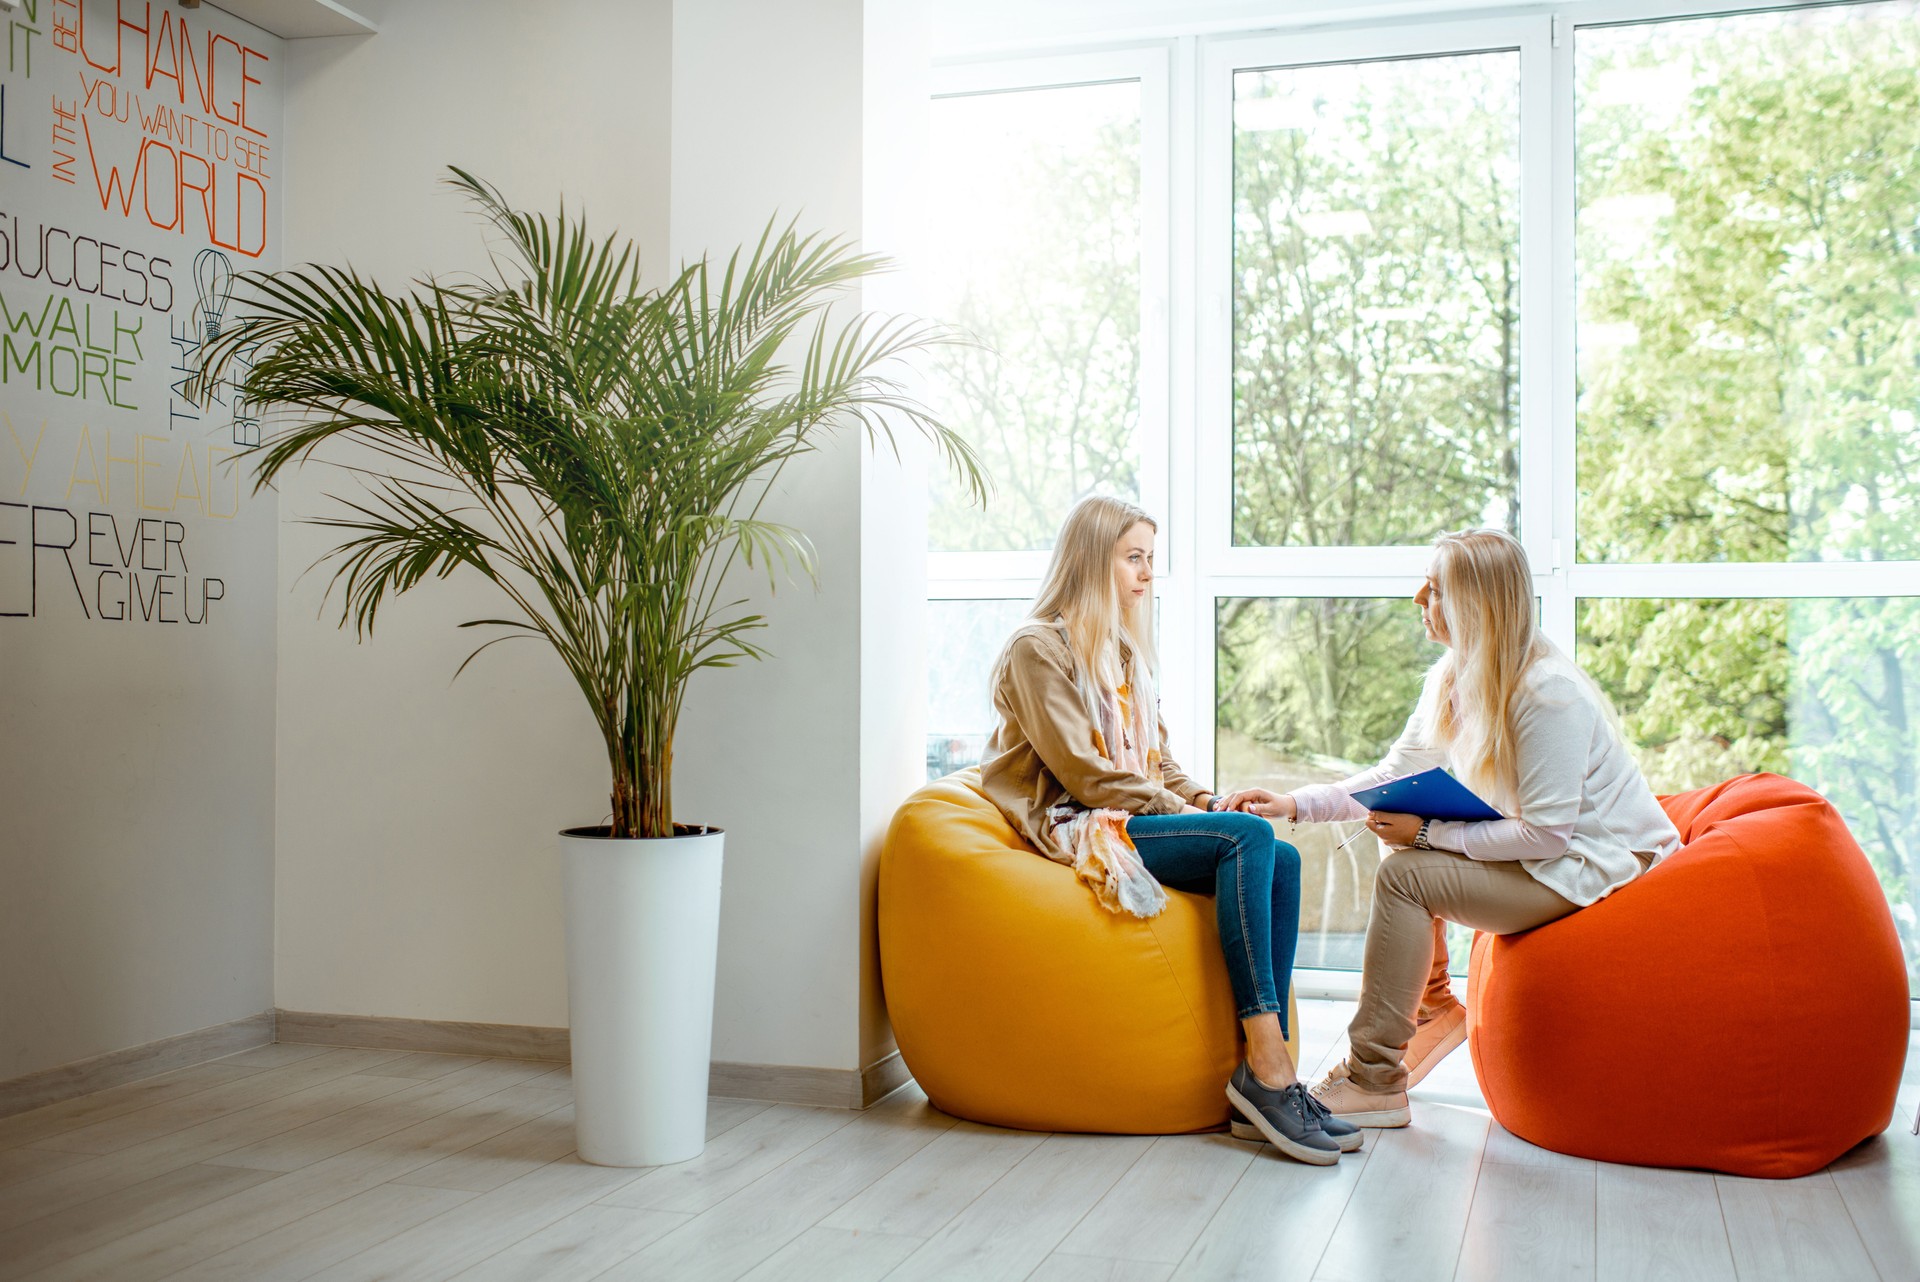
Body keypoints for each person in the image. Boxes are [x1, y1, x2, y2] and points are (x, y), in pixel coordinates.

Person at [1223, 527, 1681, 1128]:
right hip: (1554, 856)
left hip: (1597, 867)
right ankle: (1432, 1007)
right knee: (1397, 850)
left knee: (1406, 875)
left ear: (1476, 604)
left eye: (1435, 589)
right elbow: (1391, 775)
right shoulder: (1452, 676)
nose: (1419, 599)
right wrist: (1292, 804)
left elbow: (1548, 835)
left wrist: (1426, 834)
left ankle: (1374, 1080)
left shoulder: (1548, 694)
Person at [980, 495, 1357, 1165]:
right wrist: (1191, 815)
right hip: (1079, 823)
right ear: (1091, 560)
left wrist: (1208, 800)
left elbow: (1160, 764)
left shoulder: (1123, 653)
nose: (1147, 573)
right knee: (1247, 840)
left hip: (1125, 813)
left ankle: (1265, 1076)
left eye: (1150, 558)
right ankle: (1269, 1068)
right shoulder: (1036, 649)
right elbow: (1087, 777)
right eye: (1134, 558)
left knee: (1282, 857)